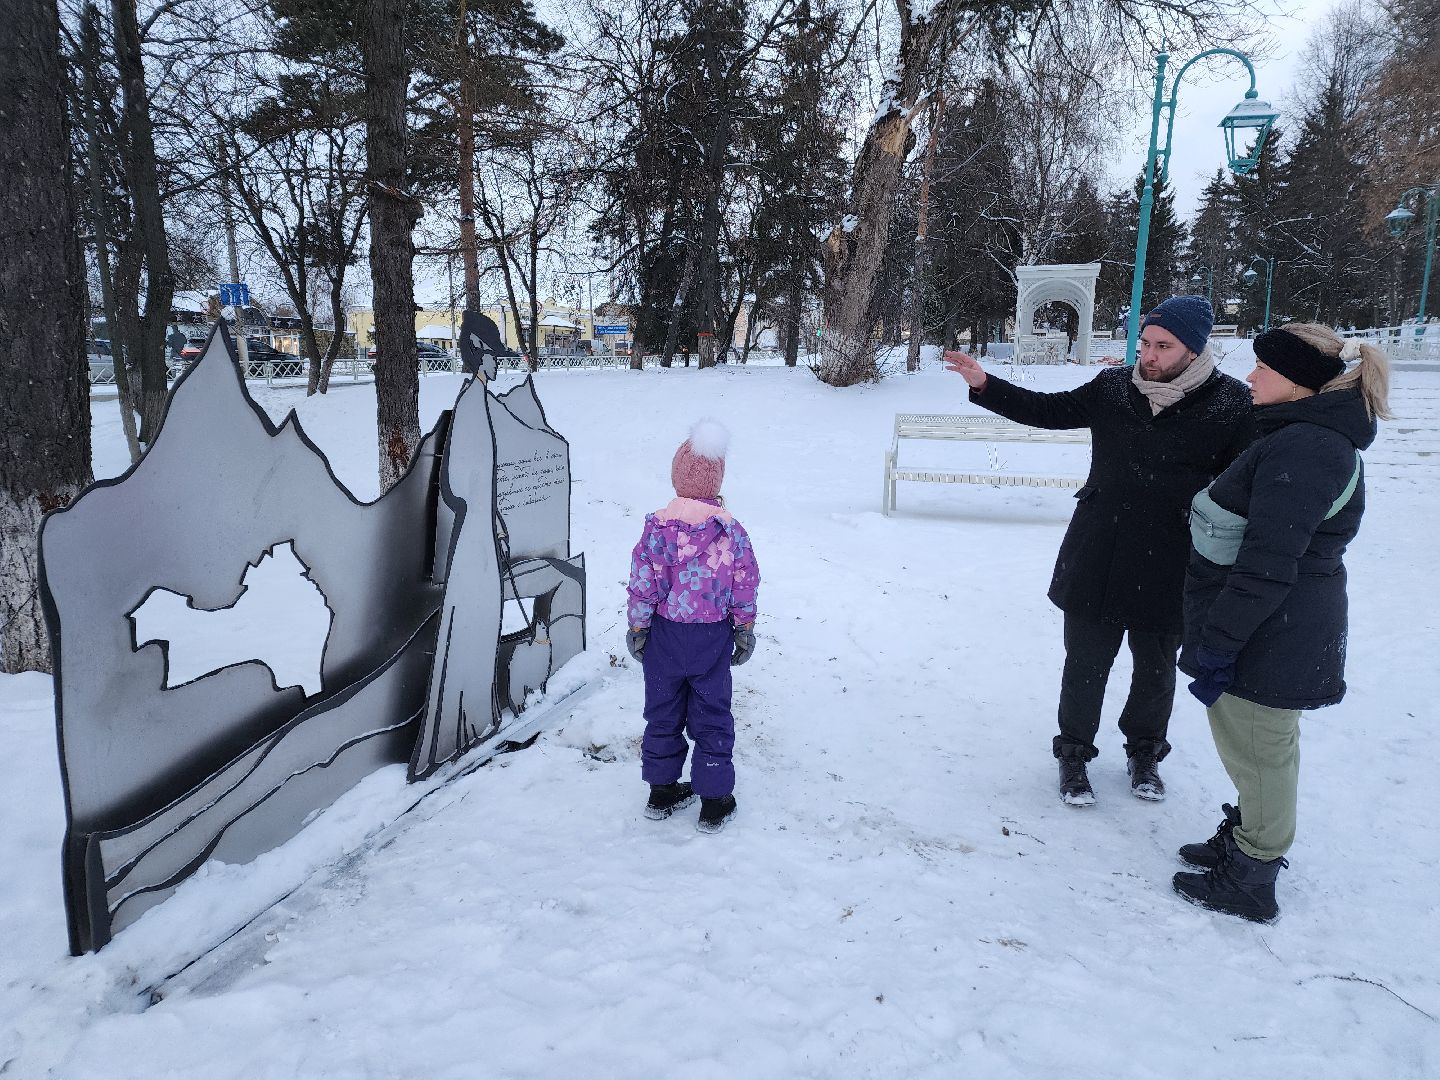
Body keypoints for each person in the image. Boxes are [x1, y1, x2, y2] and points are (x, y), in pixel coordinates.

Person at [945, 296, 1253, 806]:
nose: (1148, 356)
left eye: (1163, 346)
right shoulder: (1113, 387)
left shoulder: (1232, 403)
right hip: (1100, 550)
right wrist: (984, 384)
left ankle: (1145, 752)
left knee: (1156, 670)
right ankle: (1073, 753)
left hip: (1174, 559)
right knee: (1085, 663)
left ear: (1194, 350)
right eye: (1145, 343)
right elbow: (1049, 410)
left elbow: (1244, 481)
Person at [1173, 324, 1390, 921]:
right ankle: (1248, 834)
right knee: (1256, 745)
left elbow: (1269, 561)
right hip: (1276, 622)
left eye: (1263, 368)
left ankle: (1253, 874)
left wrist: (1221, 641)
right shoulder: (1304, 435)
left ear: (1298, 382)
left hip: (1272, 628)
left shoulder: (1308, 448)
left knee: (1260, 749)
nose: (1250, 376)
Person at [625, 420, 760, 834]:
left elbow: (642, 583)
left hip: (664, 635)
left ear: (676, 477)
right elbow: (744, 582)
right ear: (717, 480)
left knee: (663, 711)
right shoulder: (730, 531)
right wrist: (743, 627)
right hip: (710, 638)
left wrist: (639, 627)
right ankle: (715, 801)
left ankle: (661, 791)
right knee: (712, 712)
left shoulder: (656, 528)